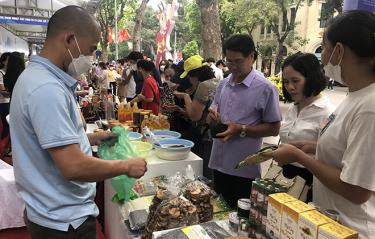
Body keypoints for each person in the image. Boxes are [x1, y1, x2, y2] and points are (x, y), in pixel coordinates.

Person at [9, 6, 147, 239]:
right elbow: (72, 166)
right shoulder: (47, 89)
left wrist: (90, 138)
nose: (92, 58)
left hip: (50, 212)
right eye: (92, 49)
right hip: (64, 222)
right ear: (70, 39)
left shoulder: (37, 78)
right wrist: (126, 166)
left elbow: (47, 141)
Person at [268, 11, 375, 238]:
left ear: (339, 51)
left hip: (352, 228)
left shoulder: (369, 106)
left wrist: (300, 157)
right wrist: (313, 146)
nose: (323, 57)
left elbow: (357, 190)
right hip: (329, 223)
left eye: (324, 47)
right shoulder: (355, 96)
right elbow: (348, 148)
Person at [208, 34, 281, 208]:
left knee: (241, 219)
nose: (232, 67)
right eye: (229, 61)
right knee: (219, 213)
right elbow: (212, 113)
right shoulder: (223, 84)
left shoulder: (265, 88)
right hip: (218, 162)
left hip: (243, 168)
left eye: (238, 61)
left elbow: (274, 128)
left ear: (252, 57)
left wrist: (241, 129)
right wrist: (211, 117)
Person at [280, 52, 333, 202]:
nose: (290, 87)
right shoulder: (293, 107)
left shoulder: (327, 112)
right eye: (285, 82)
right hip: (285, 173)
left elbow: (330, 150)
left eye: (295, 81)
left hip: (310, 180)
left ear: (311, 78)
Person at [169, 55, 218, 180]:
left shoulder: (203, 86)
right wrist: (179, 109)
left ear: (195, 75)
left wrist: (185, 96)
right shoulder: (217, 82)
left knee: (204, 176)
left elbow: (194, 116)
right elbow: (203, 113)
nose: (189, 80)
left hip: (204, 138)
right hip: (215, 136)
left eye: (190, 76)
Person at [0, 52, 10, 139]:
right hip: (3, 102)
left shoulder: (8, 73)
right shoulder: (0, 73)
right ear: (3, 61)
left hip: (7, 102)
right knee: (6, 125)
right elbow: (2, 90)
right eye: (8, 60)